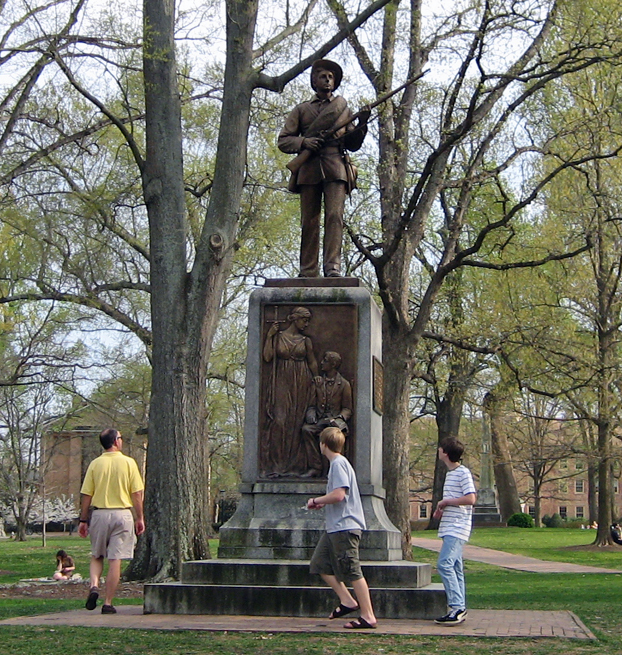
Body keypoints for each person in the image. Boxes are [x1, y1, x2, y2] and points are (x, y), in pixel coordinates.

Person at [278, 59, 369, 278]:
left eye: (331, 77)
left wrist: (363, 123)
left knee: (334, 217)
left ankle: (333, 267)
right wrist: (304, 143)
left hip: (335, 166)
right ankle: (308, 269)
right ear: (314, 80)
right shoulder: (301, 110)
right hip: (309, 167)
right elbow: (284, 141)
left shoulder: (343, 109)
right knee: (309, 220)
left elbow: (353, 143)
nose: (328, 79)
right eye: (323, 76)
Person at [307, 427, 377, 629]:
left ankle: (368, 616)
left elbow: (339, 495)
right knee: (319, 564)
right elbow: (338, 496)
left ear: (323, 445)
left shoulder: (338, 464)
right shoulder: (338, 464)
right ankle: (347, 601)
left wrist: (315, 500)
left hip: (345, 527)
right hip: (334, 528)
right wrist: (324, 502)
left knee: (353, 571)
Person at [78, 428, 145, 614]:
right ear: (116, 441)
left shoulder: (95, 464)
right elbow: (137, 493)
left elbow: (87, 494)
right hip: (122, 514)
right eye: (121, 438)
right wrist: (140, 517)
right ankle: (108, 602)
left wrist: (83, 519)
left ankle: (93, 586)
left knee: (97, 555)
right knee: (115, 560)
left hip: (100, 514)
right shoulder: (129, 463)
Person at [261, 306, 319, 477]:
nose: (307, 324)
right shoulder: (278, 336)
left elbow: (312, 362)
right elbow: (267, 357)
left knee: (296, 422)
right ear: (295, 319)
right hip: (282, 380)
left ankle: (296, 467)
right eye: (304, 320)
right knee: (279, 421)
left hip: (302, 381)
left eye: (308, 321)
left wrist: (317, 379)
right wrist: (269, 335)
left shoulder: (306, 340)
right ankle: (277, 465)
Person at [432, 436, 477, 625]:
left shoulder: (462, 473)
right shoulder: (450, 474)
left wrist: (447, 502)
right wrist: (441, 509)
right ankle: (460, 607)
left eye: (441, 448)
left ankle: (457, 607)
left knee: (444, 564)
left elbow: (471, 499)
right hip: (450, 526)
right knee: (456, 568)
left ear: (446, 453)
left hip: (458, 528)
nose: (438, 450)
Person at [301, 350, 353, 477]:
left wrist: (339, 418)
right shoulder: (318, 382)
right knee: (306, 430)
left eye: (325, 361)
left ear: (333, 364)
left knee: (333, 433)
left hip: (335, 422)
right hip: (320, 421)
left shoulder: (344, 384)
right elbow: (311, 406)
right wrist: (311, 415)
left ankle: (334, 469)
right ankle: (315, 467)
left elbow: (347, 409)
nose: (321, 363)